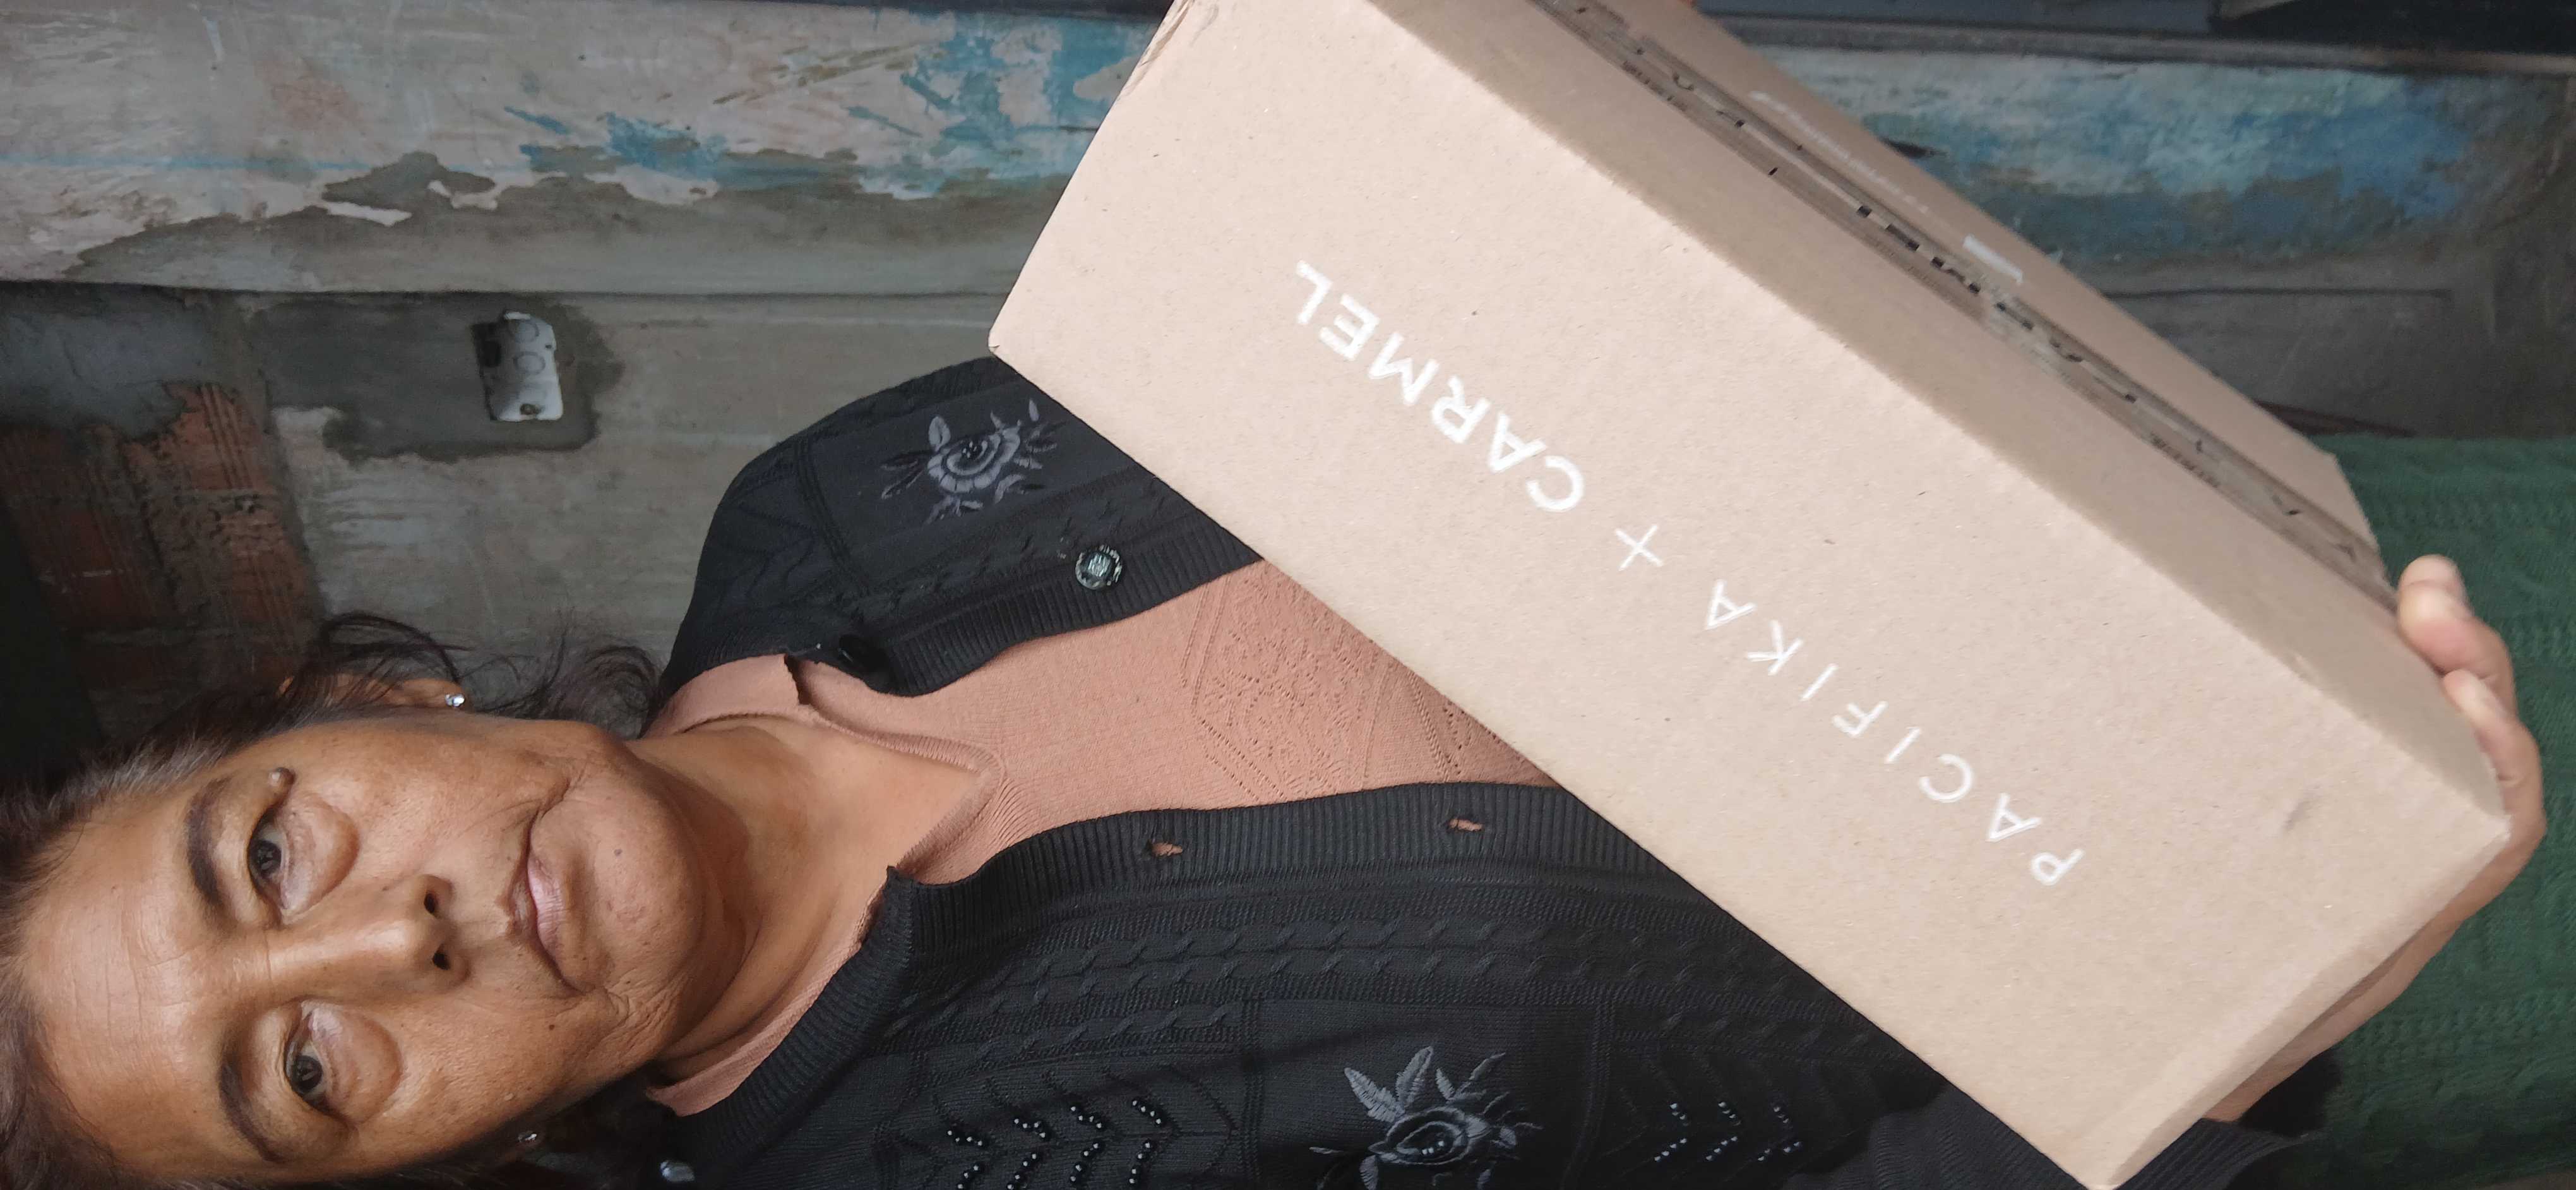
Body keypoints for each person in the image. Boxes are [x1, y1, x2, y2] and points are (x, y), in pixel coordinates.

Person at [0, 359, 2544, 1190]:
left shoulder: (823, 515)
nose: (395, 937)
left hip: (2272, 522)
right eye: (303, 1072)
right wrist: (2251, 1001)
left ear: (358, 710)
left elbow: (1502, 339)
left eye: (271, 857)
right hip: (2337, 946)